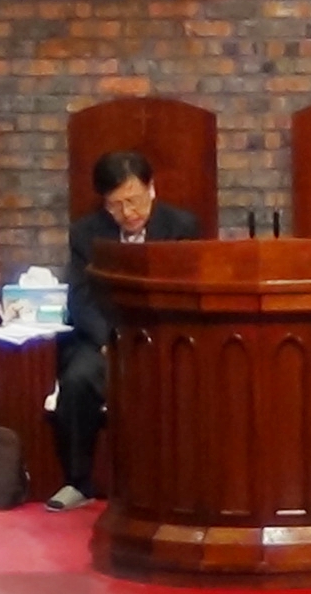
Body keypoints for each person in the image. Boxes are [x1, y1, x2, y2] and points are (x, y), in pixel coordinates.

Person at [49, 149, 203, 511]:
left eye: (134, 200)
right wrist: (110, 340)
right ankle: (78, 482)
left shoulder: (182, 227)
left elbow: (190, 290)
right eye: (116, 205)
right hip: (106, 340)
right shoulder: (86, 234)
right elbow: (80, 299)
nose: (128, 212)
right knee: (77, 379)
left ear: (151, 189)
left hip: (165, 339)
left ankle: (186, 483)